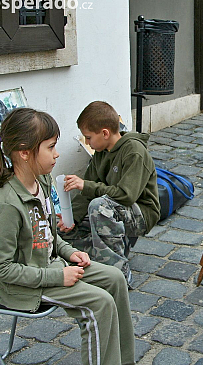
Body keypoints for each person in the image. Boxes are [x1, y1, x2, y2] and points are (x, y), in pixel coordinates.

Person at [0, 108, 134, 365]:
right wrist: (58, 276)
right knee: (99, 304)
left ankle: (123, 361)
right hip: (22, 286)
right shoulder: (7, 205)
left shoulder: (41, 181)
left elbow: (49, 233)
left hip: (50, 265)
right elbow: (0, 269)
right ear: (24, 152)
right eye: (51, 147)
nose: (57, 154)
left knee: (115, 278)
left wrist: (68, 251)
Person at [59, 101, 160, 287]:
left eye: (88, 137)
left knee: (99, 206)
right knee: (59, 232)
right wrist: (69, 219)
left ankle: (118, 273)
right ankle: (107, 253)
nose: (87, 142)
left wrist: (85, 185)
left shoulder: (135, 152)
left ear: (105, 133)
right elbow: (85, 195)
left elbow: (125, 195)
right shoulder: (101, 151)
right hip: (111, 208)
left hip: (141, 213)